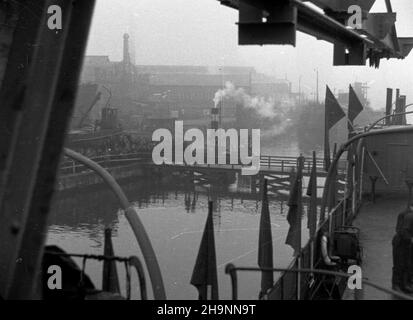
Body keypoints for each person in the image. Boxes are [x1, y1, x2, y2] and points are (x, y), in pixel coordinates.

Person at [392, 206, 413, 293]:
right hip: (400, 243)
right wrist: (411, 238)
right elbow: (403, 231)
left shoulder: (406, 214)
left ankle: (403, 284)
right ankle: (396, 285)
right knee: (399, 264)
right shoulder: (409, 216)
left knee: (406, 263)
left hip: (404, 242)